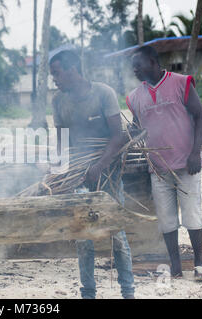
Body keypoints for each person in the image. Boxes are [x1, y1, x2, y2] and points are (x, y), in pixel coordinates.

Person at [49, 50, 135, 299]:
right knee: (83, 237)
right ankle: (88, 293)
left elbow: (118, 137)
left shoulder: (103, 93)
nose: (54, 79)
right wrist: (57, 171)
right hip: (78, 175)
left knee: (117, 234)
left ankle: (128, 292)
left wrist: (99, 165)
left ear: (72, 69)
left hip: (109, 172)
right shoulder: (58, 100)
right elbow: (61, 140)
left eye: (56, 73)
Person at [126, 45, 202, 281]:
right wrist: (128, 136)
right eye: (132, 66)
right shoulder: (134, 97)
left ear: (153, 61)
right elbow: (137, 127)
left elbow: (200, 117)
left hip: (187, 164)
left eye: (137, 65)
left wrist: (196, 153)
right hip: (158, 169)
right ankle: (176, 267)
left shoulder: (181, 83)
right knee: (166, 219)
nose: (134, 70)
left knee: (192, 214)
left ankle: (199, 265)